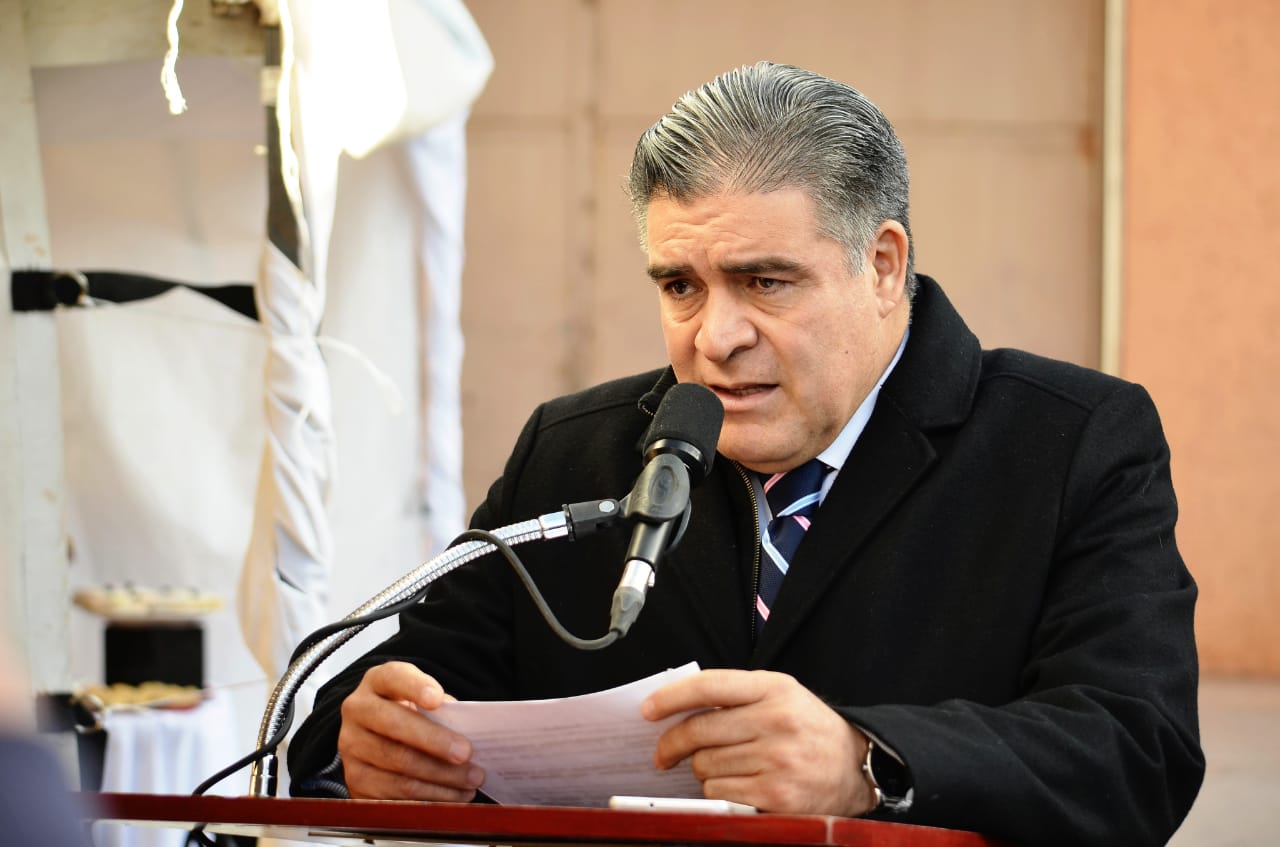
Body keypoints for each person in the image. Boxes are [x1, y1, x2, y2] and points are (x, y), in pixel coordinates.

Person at [287, 62, 1204, 846]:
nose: (716, 337)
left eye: (765, 281)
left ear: (883, 266)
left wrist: (866, 761)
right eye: (680, 286)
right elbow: (375, 710)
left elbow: (1138, 747)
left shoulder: (1072, 441)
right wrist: (365, 747)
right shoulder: (571, 453)